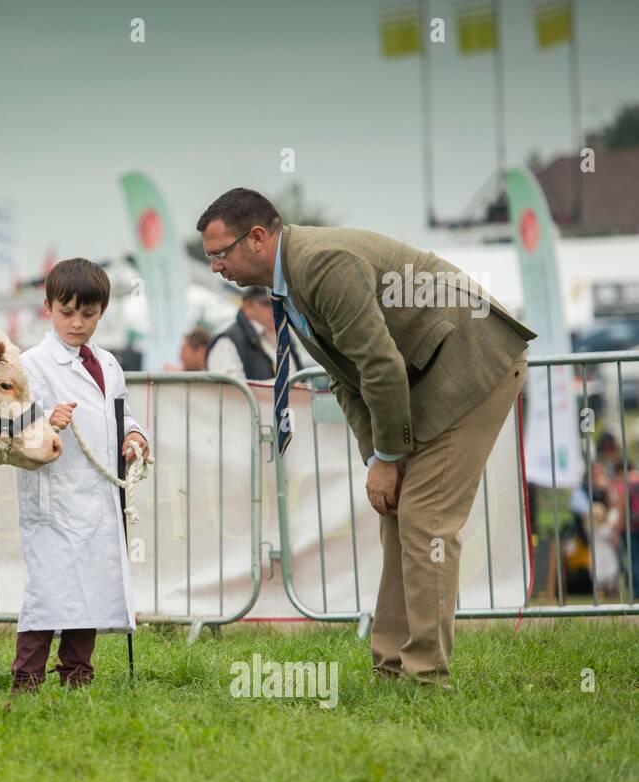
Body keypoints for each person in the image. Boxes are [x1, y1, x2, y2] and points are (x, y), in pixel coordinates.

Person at [198, 187, 536, 686]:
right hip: (428, 374)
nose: (216, 268)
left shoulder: (320, 265)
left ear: (256, 238)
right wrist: (379, 459)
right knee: (399, 518)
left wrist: (387, 456)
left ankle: (425, 678)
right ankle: (390, 668)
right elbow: (346, 376)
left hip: (473, 364)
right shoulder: (288, 278)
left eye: (219, 254)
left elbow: (379, 365)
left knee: (427, 523)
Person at [12, 258, 150, 691]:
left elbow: (121, 413)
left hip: (99, 496)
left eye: (88, 314)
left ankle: (77, 676)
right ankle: (26, 679)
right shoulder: (30, 364)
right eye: (67, 312)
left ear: (102, 312)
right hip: (54, 498)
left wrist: (134, 436)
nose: (77, 323)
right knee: (48, 593)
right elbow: (12, 427)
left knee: (90, 587)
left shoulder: (107, 363)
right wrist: (45, 421)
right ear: (48, 306)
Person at [208, 285, 303, 382]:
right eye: (266, 303)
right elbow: (229, 389)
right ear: (248, 306)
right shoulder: (227, 342)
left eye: (279, 302)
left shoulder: (286, 338)